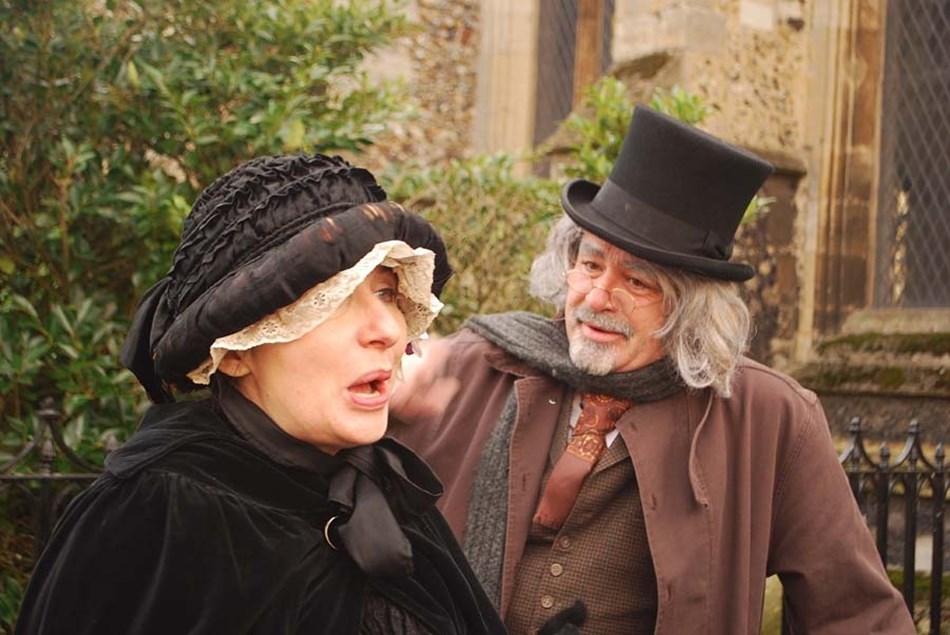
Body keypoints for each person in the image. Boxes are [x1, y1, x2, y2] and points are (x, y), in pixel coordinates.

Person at [389, 106, 915, 633]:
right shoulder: (480, 364)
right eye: (590, 264)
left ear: (691, 309)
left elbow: (857, 616)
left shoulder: (770, 418)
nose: (597, 296)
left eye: (636, 282)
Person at [16, 154, 505, 634]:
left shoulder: (385, 490)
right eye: (331, 302)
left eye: (384, 293)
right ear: (234, 351)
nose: (387, 329)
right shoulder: (157, 516)